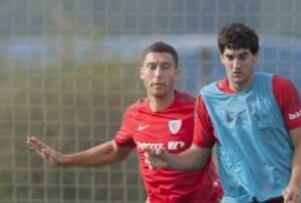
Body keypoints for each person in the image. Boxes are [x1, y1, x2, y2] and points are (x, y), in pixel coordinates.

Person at [26, 42, 222, 203]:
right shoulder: (135, 114)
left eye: (165, 67)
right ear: (141, 72)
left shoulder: (196, 109)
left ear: (176, 73)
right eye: (152, 66)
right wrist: (64, 160)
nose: (158, 73)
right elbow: (115, 149)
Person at [145, 23, 301, 203]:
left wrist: (295, 185)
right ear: (221, 58)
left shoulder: (279, 88)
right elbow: (199, 156)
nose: (236, 65)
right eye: (230, 57)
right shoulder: (207, 99)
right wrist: (169, 160)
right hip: (236, 198)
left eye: (242, 57)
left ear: (255, 56)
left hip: (280, 194)